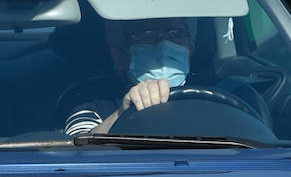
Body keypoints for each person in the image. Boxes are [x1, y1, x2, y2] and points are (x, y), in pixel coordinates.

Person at [58, 17, 198, 136]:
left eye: (176, 33)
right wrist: (123, 112)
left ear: (190, 50)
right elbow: (76, 150)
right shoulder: (94, 101)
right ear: (120, 55)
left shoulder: (214, 95)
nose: (164, 43)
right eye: (147, 34)